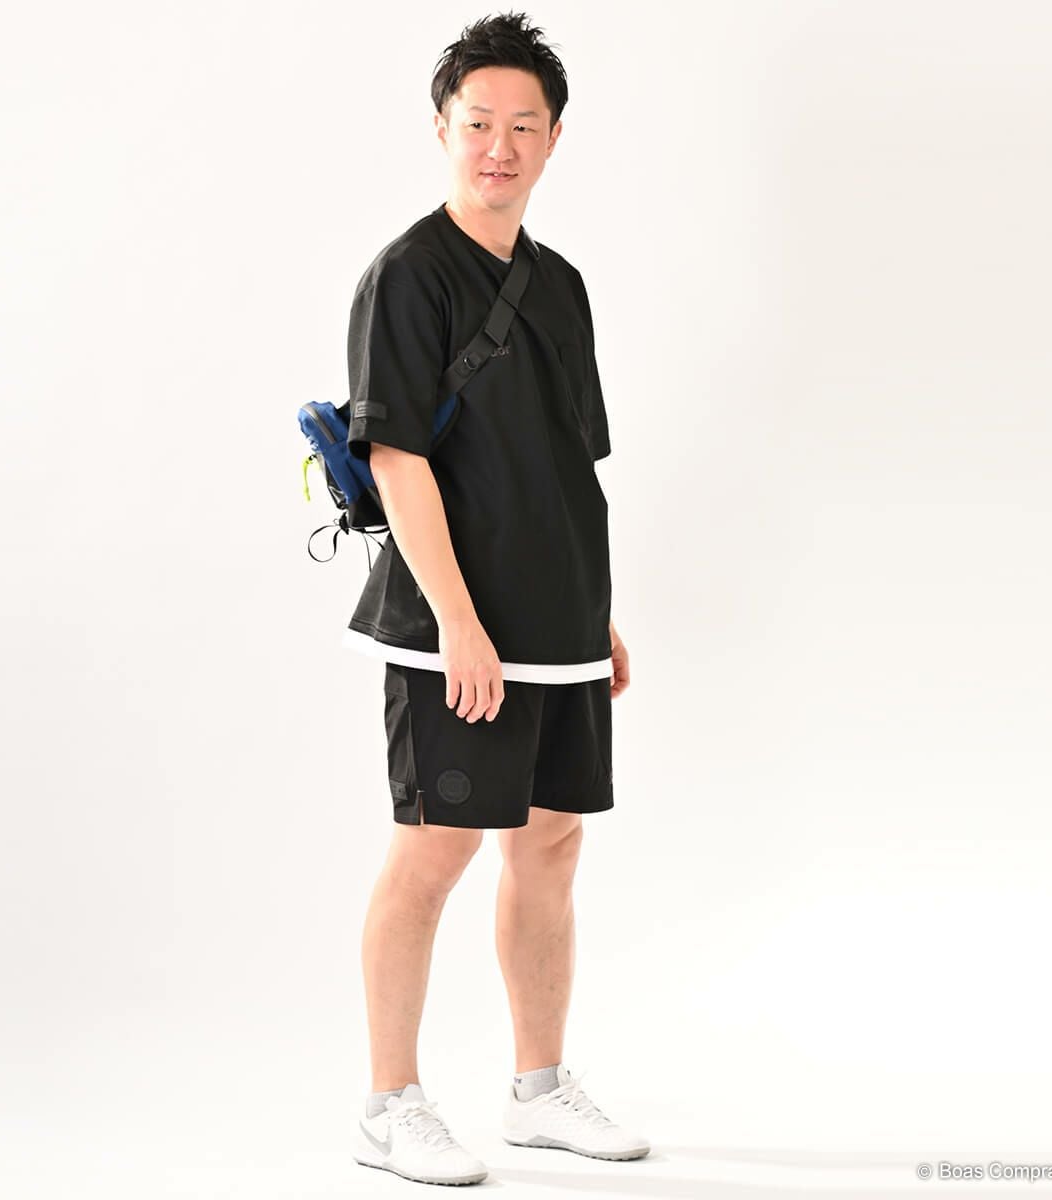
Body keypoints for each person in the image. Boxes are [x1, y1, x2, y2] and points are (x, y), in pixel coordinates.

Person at [343, 13, 648, 1187]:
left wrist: (592, 614)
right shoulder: (408, 277)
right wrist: (461, 622)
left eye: (525, 126)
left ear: (554, 138)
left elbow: (565, 463)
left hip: (559, 623)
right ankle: (389, 1105)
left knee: (552, 844)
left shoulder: (559, 286)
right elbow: (397, 460)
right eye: (480, 123)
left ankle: (539, 1090)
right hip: (453, 629)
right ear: (442, 129)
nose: (500, 147)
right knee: (436, 848)